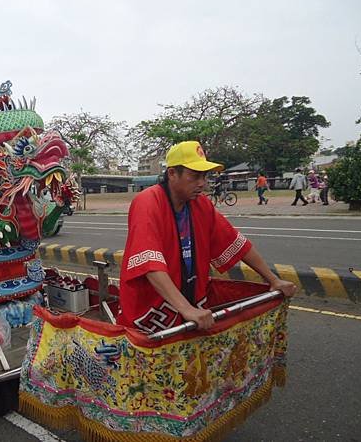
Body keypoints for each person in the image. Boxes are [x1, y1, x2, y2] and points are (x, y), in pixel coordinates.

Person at [118, 141, 297, 332]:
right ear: (172, 173)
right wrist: (186, 309)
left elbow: (236, 243)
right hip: (152, 312)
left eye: (204, 176)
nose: (202, 183)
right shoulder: (147, 202)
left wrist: (273, 280)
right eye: (194, 176)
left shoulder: (200, 204)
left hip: (191, 303)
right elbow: (149, 264)